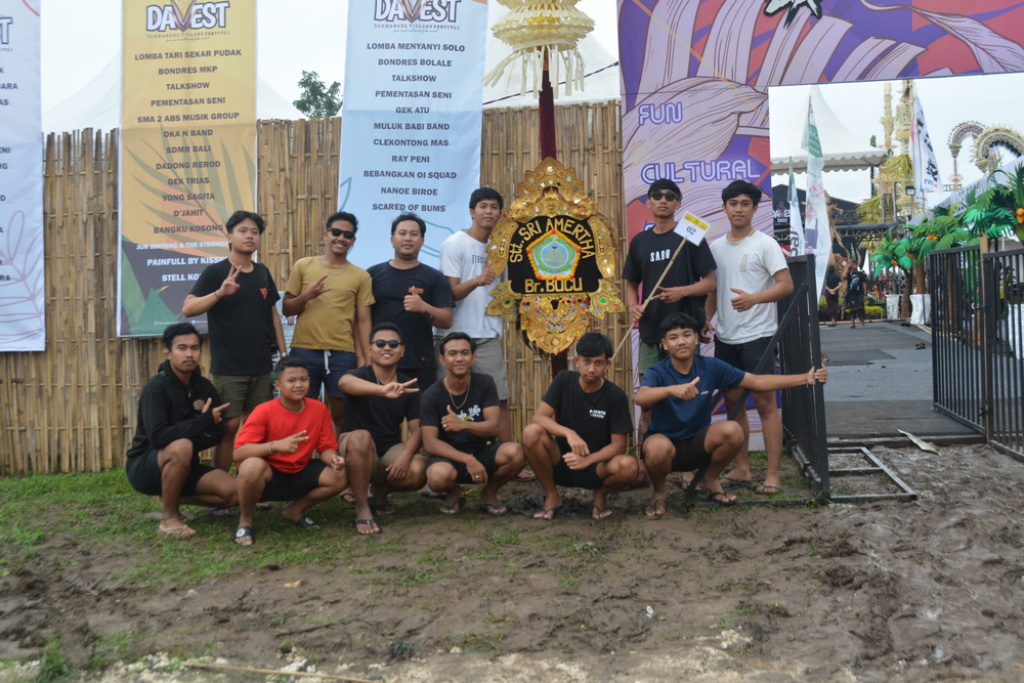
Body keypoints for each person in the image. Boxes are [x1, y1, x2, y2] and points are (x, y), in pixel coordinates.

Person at [637, 313, 827, 518]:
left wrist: (805, 378)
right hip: (666, 447)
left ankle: (709, 478)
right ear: (665, 344)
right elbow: (641, 397)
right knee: (656, 448)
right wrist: (673, 389)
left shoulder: (710, 367)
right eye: (673, 337)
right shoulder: (657, 371)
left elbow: (757, 382)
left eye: (686, 335)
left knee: (733, 431)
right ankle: (659, 492)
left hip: (697, 445)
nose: (681, 341)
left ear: (696, 339)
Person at [705, 180, 793, 496]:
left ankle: (773, 474)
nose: (738, 209)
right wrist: (705, 319)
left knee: (766, 405)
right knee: (733, 405)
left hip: (758, 337)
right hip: (725, 339)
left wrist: (753, 299)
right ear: (724, 208)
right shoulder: (715, 247)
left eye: (745, 204)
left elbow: (785, 285)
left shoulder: (766, 244)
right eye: (733, 203)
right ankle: (742, 469)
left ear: (755, 208)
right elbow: (714, 291)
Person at [182, 210, 285, 478]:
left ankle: (250, 480)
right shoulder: (216, 272)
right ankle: (221, 484)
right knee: (228, 427)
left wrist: (284, 354)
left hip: (262, 365)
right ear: (229, 237)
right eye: (243, 230)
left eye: (255, 232)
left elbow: (273, 315)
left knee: (257, 427)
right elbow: (188, 308)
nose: (250, 236)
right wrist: (219, 293)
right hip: (229, 367)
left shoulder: (262, 272)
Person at [623, 178, 717, 440]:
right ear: (649, 202)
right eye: (657, 196)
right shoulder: (640, 241)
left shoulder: (690, 235)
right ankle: (645, 458)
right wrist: (632, 306)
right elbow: (630, 283)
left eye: (669, 196)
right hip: (651, 330)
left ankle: (688, 459)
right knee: (648, 399)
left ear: (678, 203)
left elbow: (710, 282)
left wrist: (681, 291)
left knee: (687, 398)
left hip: (684, 331)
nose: (663, 200)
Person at [125, 323, 238, 536]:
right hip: (145, 466)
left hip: (185, 463)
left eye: (195, 348)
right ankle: (169, 518)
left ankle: (169, 496)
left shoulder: (204, 387)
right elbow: (158, 437)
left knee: (235, 492)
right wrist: (202, 422)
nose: (189, 354)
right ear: (168, 353)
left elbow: (217, 432)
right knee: (181, 447)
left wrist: (190, 432)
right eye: (182, 348)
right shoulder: (156, 388)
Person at [231, 356, 349, 546]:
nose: (299, 385)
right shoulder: (264, 410)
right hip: (268, 475)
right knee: (251, 466)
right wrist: (275, 446)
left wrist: (334, 459)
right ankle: (245, 519)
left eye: (304, 379)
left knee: (340, 474)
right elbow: (238, 453)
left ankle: (295, 510)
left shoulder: (319, 409)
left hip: (300, 470)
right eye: (292, 380)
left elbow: (326, 448)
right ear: (278, 385)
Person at [522, 333, 638, 521]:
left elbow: (619, 446)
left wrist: (588, 460)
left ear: (607, 365)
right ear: (577, 361)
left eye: (598, 363)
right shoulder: (563, 380)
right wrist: (569, 433)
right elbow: (539, 417)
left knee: (630, 466)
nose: (592, 369)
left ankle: (600, 494)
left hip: (597, 467)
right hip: (562, 460)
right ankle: (552, 496)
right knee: (531, 432)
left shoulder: (616, 396)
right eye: (587, 362)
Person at [283, 211, 374, 434]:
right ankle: (304, 456)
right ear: (326, 234)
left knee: (342, 414)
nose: (341, 238)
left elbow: (364, 321)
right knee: (302, 412)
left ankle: (338, 454)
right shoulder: (303, 265)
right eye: (336, 232)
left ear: (353, 241)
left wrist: (367, 358)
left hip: (342, 353)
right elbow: (287, 309)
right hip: (304, 350)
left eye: (347, 235)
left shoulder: (361, 276)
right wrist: (306, 296)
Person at [434, 188, 513, 442]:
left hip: (487, 335)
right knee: (445, 400)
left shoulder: (501, 249)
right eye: (483, 206)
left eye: (494, 207)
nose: (489, 211)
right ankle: (442, 457)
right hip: (452, 336)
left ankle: (507, 456)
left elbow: (511, 290)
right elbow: (449, 294)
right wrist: (477, 280)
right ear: (472, 211)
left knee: (499, 399)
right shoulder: (455, 243)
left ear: (500, 214)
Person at [420, 332, 525, 515]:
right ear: (442, 360)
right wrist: (467, 460)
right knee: (436, 477)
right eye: (452, 354)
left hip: (482, 451)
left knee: (516, 453)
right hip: (449, 457)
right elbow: (430, 443)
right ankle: (452, 491)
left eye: (465, 353)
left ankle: (489, 492)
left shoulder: (485, 383)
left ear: (473, 358)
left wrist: (463, 424)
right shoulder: (431, 395)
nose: (459, 358)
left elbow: (494, 427)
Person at [337, 323, 428, 534]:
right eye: (380, 343)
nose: (387, 347)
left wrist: (406, 455)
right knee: (362, 438)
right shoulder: (359, 375)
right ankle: (362, 508)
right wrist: (382, 390)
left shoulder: (408, 386)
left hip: (388, 450)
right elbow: (344, 383)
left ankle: (380, 492)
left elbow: (419, 429)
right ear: (370, 349)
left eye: (393, 344)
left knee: (419, 470)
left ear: (402, 350)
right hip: (354, 447)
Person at [367, 213, 454, 391]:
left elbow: (447, 320)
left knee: (420, 409)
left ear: (422, 241)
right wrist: (365, 356)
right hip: (379, 361)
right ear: (392, 239)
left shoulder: (434, 277)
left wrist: (423, 307)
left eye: (414, 234)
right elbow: (362, 320)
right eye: (402, 233)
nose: (408, 238)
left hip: (420, 363)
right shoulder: (372, 275)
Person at [844, 263, 866, 329]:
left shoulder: (860, 274)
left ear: (857, 265)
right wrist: (847, 266)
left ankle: (862, 324)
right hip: (851, 294)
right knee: (852, 309)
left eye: (855, 264)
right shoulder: (849, 274)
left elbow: (864, 284)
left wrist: (865, 294)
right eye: (852, 264)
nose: (854, 265)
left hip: (859, 293)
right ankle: (853, 324)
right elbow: (843, 276)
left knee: (861, 308)